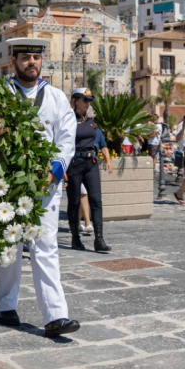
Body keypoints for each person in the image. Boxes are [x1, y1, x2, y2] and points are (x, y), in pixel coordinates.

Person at [0, 37, 79, 339]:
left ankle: (55, 315)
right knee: (9, 246)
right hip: (6, 184)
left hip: (45, 185)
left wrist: (55, 170)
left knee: (45, 247)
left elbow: (67, 139)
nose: (31, 63)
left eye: (35, 58)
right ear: (13, 61)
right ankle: (6, 304)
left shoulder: (57, 97)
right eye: (24, 57)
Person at [65, 87, 113, 253]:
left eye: (90, 100)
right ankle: (75, 238)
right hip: (74, 163)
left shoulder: (91, 121)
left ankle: (99, 239)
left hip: (91, 162)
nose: (88, 103)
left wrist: (107, 160)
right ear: (76, 100)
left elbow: (100, 142)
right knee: (74, 201)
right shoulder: (68, 119)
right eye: (85, 100)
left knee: (96, 200)